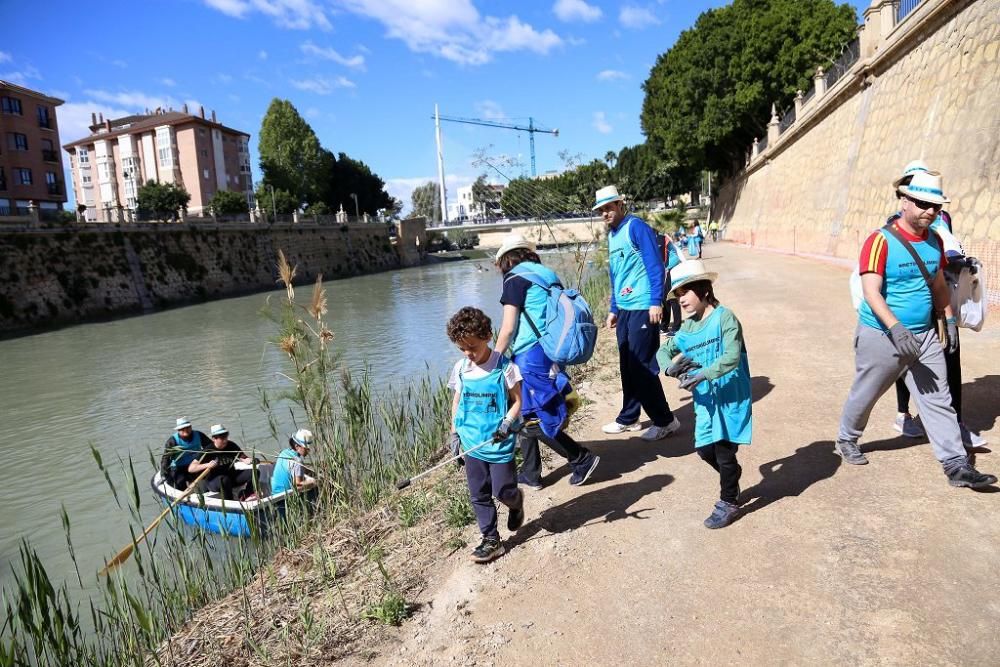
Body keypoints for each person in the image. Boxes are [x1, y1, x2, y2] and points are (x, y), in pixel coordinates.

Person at [834, 170, 996, 488]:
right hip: (882, 335)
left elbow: (937, 284)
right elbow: (871, 291)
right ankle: (846, 439)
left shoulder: (934, 241)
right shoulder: (879, 241)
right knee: (866, 394)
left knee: (939, 398)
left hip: (923, 335)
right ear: (905, 200)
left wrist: (947, 317)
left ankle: (956, 465)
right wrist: (895, 327)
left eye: (936, 206)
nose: (931, 211)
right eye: (923, 204)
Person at [887, 161, 986, 448]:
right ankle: (903, 414)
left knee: (951, 360)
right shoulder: (893, 224)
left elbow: (946, 250)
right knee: (904, 362)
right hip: (913, 306)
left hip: (941, 301)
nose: (929, 207)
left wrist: (959, 264)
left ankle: (956, 423)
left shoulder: (943, 217)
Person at [493, 234, 601, 490]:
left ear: (507, 259)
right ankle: (531, 473)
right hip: (549, 349)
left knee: (535, 417)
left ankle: (580, 458)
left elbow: (508, 328)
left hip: (529, 355)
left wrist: (493, 359)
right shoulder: (545, 274)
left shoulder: (515, 279)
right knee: (524, 410)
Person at [657, 259, 751, 529]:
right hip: (706, 400)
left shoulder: (725, 318)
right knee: (703, 450)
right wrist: (670, 369)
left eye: (685, 291)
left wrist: (702, 375)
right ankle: (731, 476)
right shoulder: (686, 328)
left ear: (704, 289)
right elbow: (664, 351)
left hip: (731, 397)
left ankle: (729, 502)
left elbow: (732, 357)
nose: (681, 299)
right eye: (677, 294)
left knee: (722, 452)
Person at [593, 185, 680, 440]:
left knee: (642, 366)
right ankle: (629, 417)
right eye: (601, 210)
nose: (605, 214)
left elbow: (655, 265)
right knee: (627, 365)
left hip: (644, 305)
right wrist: (613, 308)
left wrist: (656, 301)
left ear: (620, 205)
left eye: (609, 207)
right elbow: (615, 275)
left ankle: (665, 420)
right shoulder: (611, 236)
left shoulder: (636, 227)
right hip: (625, 309)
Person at [447, 306, 525, 563]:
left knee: (502, 491)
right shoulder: (461, 369)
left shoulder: (504, 368)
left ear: (487, 336)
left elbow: (517, 401)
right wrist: (454, 433)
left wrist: (507, 423)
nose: (468, 354)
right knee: (478, 493)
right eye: (462, 349)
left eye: (473, 347)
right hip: (471, 444)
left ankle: (516, 502)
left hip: (499, 444)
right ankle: (491, 539)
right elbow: (457, 402)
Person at [187, 424, 257, 500]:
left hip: (232, 476)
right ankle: (229, 502)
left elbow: (243, 457)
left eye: (226, 436)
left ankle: (245, 494)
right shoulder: (208, 451)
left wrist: (249, 460)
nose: (225, 439)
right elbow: (191, 468)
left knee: (255, 472)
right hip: (214, 481)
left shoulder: (231, 445)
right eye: (222, 437)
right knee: (224, 480)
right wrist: (207, 465)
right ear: (214, 439)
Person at [159, 417, 211, 490]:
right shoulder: (172, 441)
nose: (185, 430)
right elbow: (165, 459)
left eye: (187, 427)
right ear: (178, 430)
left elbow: (210, 447)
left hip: (196, 465)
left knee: (210, 476)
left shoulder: (199, 435)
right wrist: (164, 474)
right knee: (180, 481)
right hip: (179, 468)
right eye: (182, 429)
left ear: (191, 427)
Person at [271, 428, 315, 496]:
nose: (308, 451)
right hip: (284, 495)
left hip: (274, 491)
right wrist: (313, 482)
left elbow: (295, 469)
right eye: (306, 448)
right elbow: (298, 484)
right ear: (296, 446)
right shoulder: (297, 461)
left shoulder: (284, 452)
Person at [660, 233, 683, 337]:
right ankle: (664, 326)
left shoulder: (660, 239)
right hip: (670, 269)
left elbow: (662, 258)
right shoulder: (656, 239)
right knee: (665, 299)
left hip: (674, 268)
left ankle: (676, 328)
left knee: (672, 298)